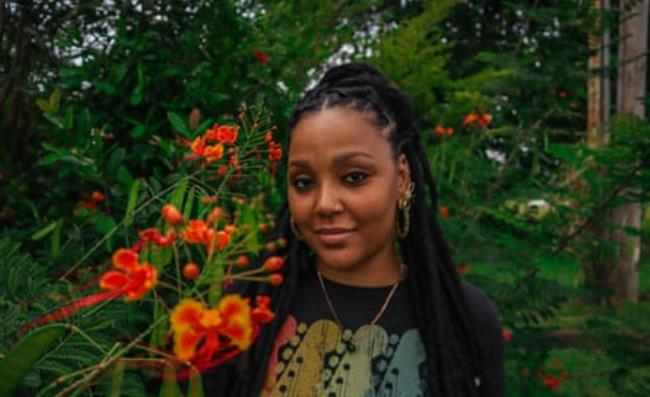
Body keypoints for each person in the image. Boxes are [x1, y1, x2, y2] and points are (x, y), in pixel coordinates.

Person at [205, 62, 505, 396]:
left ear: (401, 178)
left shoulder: (463, 317)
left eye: (354, 177)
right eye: (303, 182)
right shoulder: (250, 308)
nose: (324, 203)